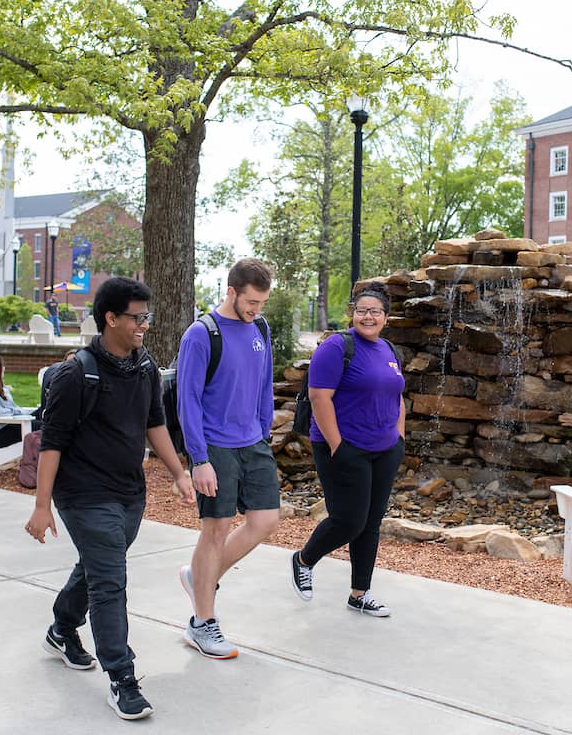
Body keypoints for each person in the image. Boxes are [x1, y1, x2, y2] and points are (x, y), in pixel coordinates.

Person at [24, 277, 195, 721]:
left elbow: (154, 423)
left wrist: (179, 473)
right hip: (83, 493)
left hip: (128, 493)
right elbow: (52, 444)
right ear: (110, 318)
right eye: (137, 318)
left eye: (147, 317)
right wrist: (42, 505)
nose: (144, 325)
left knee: (98, 568)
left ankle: (62, 629)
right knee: (109, 582)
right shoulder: (75, 374)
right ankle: (122, 677)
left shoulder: (144, 367)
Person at [176, 258, 278, 659]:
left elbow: (264, 383)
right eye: (251, 302)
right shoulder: (201, 334)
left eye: (262, 303)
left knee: (265, 521)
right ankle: (202, 623)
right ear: (231, 291)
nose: (256, 310)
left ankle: (199, 576)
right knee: (216, 529)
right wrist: (198, 458)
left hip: (253, 441)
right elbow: (187, 401)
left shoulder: (261, 328)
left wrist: (264, 429)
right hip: (214, 446)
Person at [289, 282, 405, 617]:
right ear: (352, 313)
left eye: (375, 311)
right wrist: (338, 445)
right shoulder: (336, 346)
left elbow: (397, 396)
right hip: (343, 447)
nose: (368, 316)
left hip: (384, 449)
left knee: (371, 523)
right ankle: (303, 560)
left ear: (386, 317)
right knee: (349, 521)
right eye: (362, 310)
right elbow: (319, 397)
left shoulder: (389, 349)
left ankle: (359, 594)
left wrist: (399, 439)